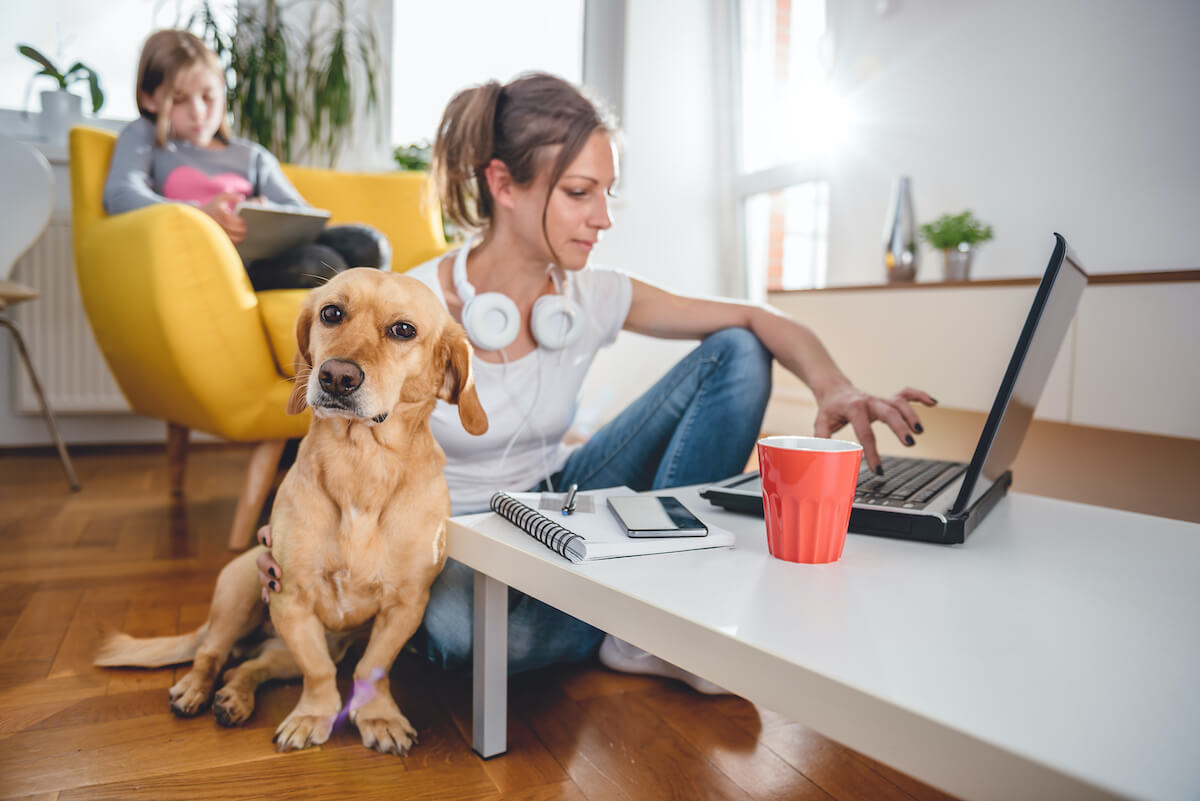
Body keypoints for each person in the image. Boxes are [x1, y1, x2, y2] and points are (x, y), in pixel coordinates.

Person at [256, 72, 934, 692]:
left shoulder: (592, 294)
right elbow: (330, 439)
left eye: (606, 194)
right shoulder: (411, 308)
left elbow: (758, 318)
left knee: (738, 349)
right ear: (505, 184)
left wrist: (835, 386)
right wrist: (290, 536)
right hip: (447, 532)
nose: (602, 218)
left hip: (558, 493)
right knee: (467, 635)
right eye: (580, 192)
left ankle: (653, 617)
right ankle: (620, 615)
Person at [102, 29, 389, 290]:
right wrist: (200, 213)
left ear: (223, 90)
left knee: (370, 245)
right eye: (178, 100)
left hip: (272, 253)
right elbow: (121, 193)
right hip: (232, 266)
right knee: (320, 263)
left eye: (208, 97)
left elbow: (304, 216)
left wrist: (265, 212)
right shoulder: (147, 138)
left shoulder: (252, 155)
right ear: (150, 98)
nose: (198, 112)